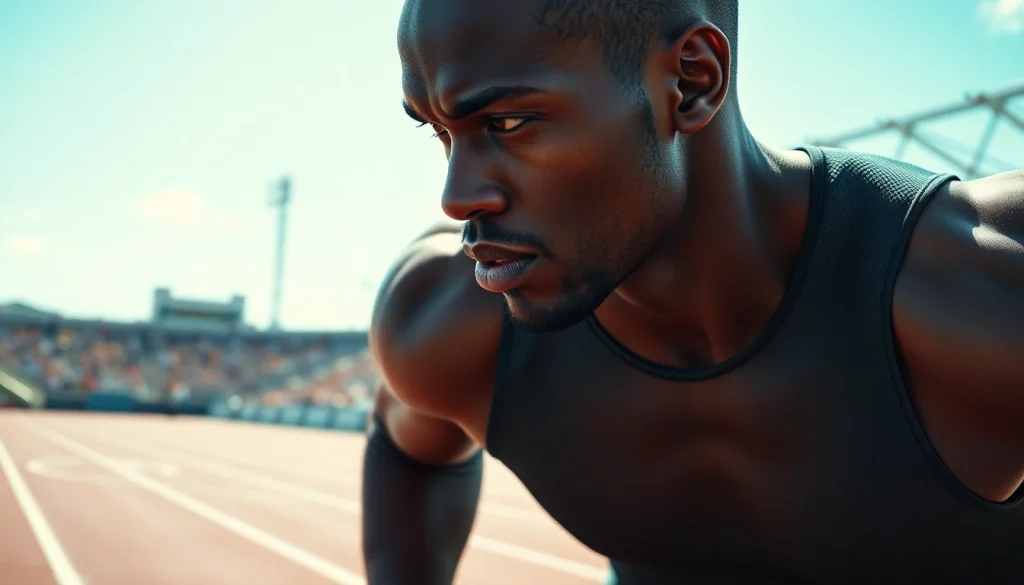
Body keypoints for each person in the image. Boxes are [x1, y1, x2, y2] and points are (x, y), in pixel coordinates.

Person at [360, 1, 1024, 583]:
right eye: (441, 132)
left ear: (691, 82)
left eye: (507, 123)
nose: (456, 197)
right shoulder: (443, 323)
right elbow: (406, 446)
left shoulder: (980, 296)